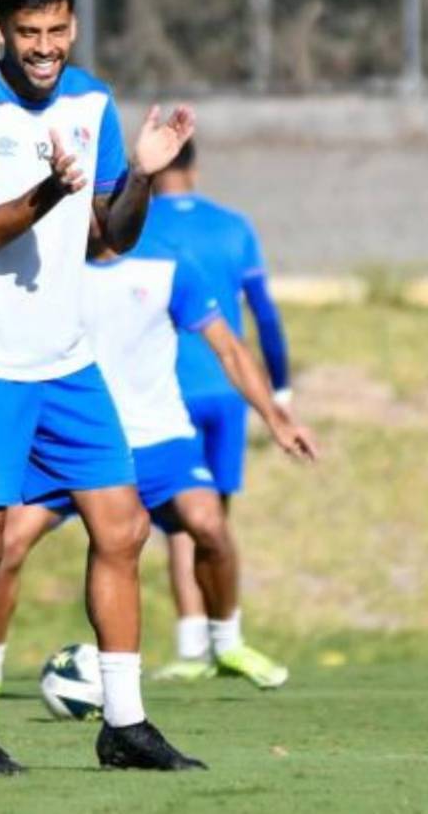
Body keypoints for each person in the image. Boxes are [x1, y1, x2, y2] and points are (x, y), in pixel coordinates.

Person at [0, 0, 198, 774]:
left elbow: (112, 235)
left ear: (73, 25)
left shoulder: (92, 103)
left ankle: (124, 724)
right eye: (27, 34)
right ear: (0, 32)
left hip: (67, 363)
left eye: (56, 31)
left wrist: (141, 171)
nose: (43, 48)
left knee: (125, 526)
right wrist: (49, 191)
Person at [0, 219, 316, 697]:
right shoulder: (46, 266)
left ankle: (226, 645)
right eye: (90, 204)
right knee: (7, 544)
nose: (95, 216)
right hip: (71, 441)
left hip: (159, 437)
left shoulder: (168, 265)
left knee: (210, 526)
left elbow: (229, 350)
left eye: (106, 203)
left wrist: (276, 417)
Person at [141, 140, 294, 686]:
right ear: (196, 169)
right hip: (228, 391)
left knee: (181, 527)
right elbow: (265, 315)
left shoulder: (136, 226)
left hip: (166, 391)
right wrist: (281, 389)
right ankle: (226, 637)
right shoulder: (234, 226)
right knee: (215, 521)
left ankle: (191, 647)